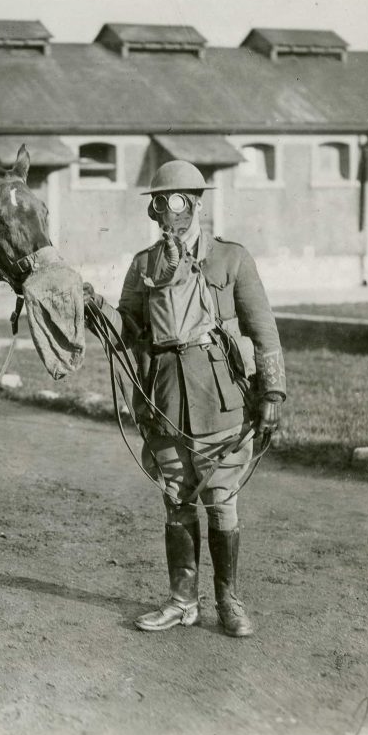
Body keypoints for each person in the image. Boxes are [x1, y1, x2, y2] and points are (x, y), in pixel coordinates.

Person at [83, 160, 286, 638]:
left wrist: (272, 391)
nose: (167, 210)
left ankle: (228, 602)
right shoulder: (144, 264)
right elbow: (129, 329)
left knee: (221, 500)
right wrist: (95, 308)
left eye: (177, 200)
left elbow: (263, 329)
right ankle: (181, 601)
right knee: (176, 498)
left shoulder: (231, 259)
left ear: (196, 202)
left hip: (222, 396)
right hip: (165, 397)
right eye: (159, 202)